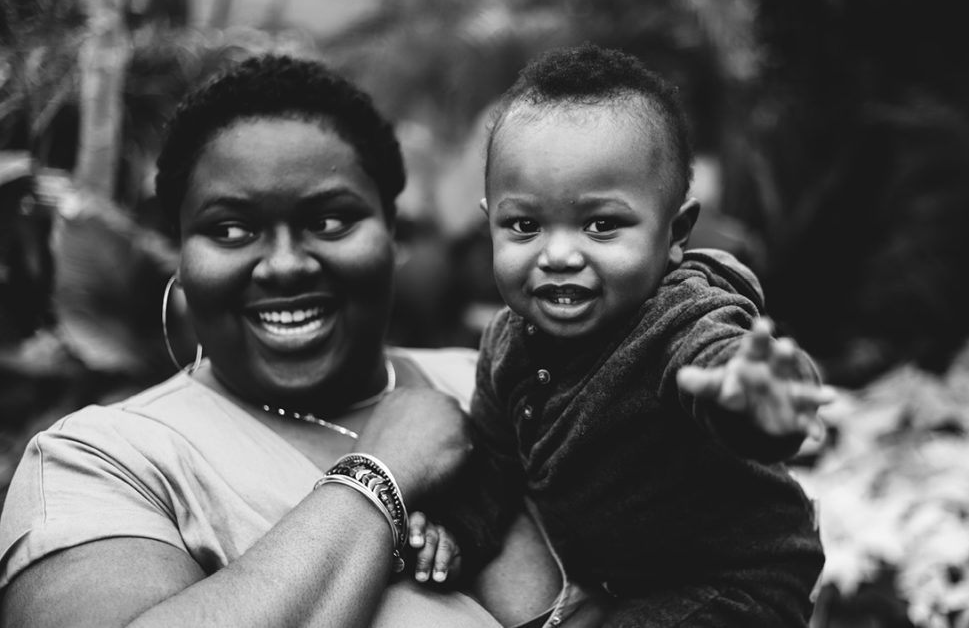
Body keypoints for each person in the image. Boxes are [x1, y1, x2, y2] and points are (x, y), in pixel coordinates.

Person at [0, 54, 591, 628]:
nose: (284, 265)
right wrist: (377, 476)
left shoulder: (502, 378)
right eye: (230, 229)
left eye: (329, 221)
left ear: (391, 231)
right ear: (180, 253)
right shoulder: (101, 461)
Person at [451, 44, 834, 626]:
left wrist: (757, 396)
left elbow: (719, 359)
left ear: (675, 232)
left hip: (737, 582)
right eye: (524, 226)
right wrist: (455, 532)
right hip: (628, 583)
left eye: (601, 225)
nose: (557, 255)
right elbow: (493, 461)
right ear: (490, 223)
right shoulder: (507, 343)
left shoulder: (678, 318)